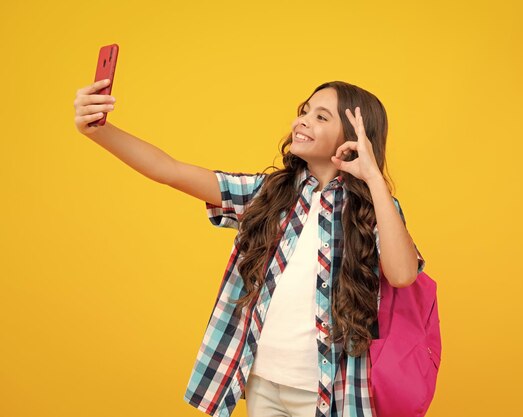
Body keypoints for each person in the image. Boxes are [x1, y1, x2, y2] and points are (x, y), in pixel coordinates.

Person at [74, 79, 425, 417]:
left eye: (321, 116)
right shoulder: (267, 194)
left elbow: (402, 274)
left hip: (331, 390)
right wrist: (99, 131)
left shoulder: (373, 209)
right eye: (305, 110)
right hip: (262, 382)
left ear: (353, 139)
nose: (303, 119)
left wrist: (373, 179)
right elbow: (170, 171)